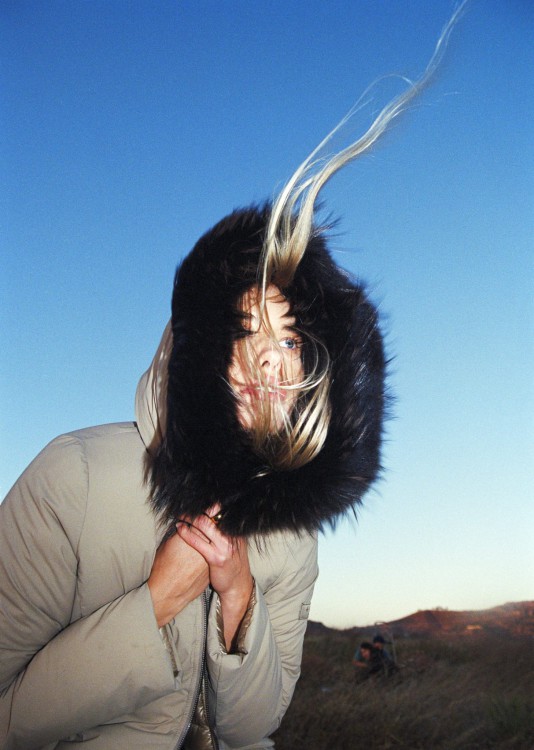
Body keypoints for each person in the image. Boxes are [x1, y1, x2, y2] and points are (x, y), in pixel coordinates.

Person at [0, 10, 462, 748]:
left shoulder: (294, 537)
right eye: (246, 331)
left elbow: (254, 724)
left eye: (291, 342)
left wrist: (240, 598)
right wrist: (155, 603)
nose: (268, 362)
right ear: (199, 350)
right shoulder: (72, 481)